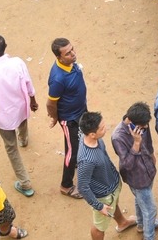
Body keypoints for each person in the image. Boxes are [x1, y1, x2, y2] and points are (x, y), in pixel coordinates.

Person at [0, 34, 38, 200]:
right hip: (20, 106)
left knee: (11, 147)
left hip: (3, 115)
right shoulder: (18, 62)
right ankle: (23, 139)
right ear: (6, 46)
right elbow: (28, 83)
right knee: (22, 123)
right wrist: (32, 99)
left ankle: (25, 183)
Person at [77, 112, 138, 240]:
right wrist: (99, 206)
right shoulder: (86, 160)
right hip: (104, 196)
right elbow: (82, 186)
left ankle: (122, 223)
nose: (106, 129)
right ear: (92, 134)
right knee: (100, 227)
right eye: (102, 128)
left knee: (114, 204)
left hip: (111, 186)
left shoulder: (93, 138)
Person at [112, 103, 158, 240]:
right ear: (130, 121)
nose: (146, 127)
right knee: (150, 209)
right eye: (143, 126)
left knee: (140, 200)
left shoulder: (142, 124)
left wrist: (152, 154)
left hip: (148, 170)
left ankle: (141, 225)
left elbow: (148, 142)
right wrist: (136, 143)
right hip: (136, 178)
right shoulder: (118, 137)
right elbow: (126, 165)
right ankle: (149, 236)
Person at [46, 37, 88, 199]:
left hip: (80, 111)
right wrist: (56, 118)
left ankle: (76, 162)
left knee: (81, 140)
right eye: (68, 53)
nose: (73, 54)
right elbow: (50, 104)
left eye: (72, 50)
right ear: (59, 57)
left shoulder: (71, 64)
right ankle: (66, 185)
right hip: (69, 119)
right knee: (72, 151)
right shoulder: (58, 78)